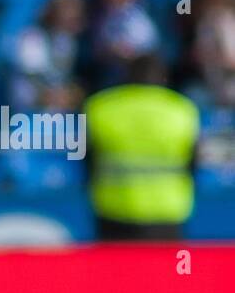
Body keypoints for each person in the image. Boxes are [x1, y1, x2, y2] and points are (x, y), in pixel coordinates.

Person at [85, 55, 199, 240]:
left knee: (116, 269)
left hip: (114, 210)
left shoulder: (99, 107)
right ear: (163, 78)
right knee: (164, 269)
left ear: (127, 76)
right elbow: (194, 162)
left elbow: (87, 160)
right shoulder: (183, 110)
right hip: (168, 211)